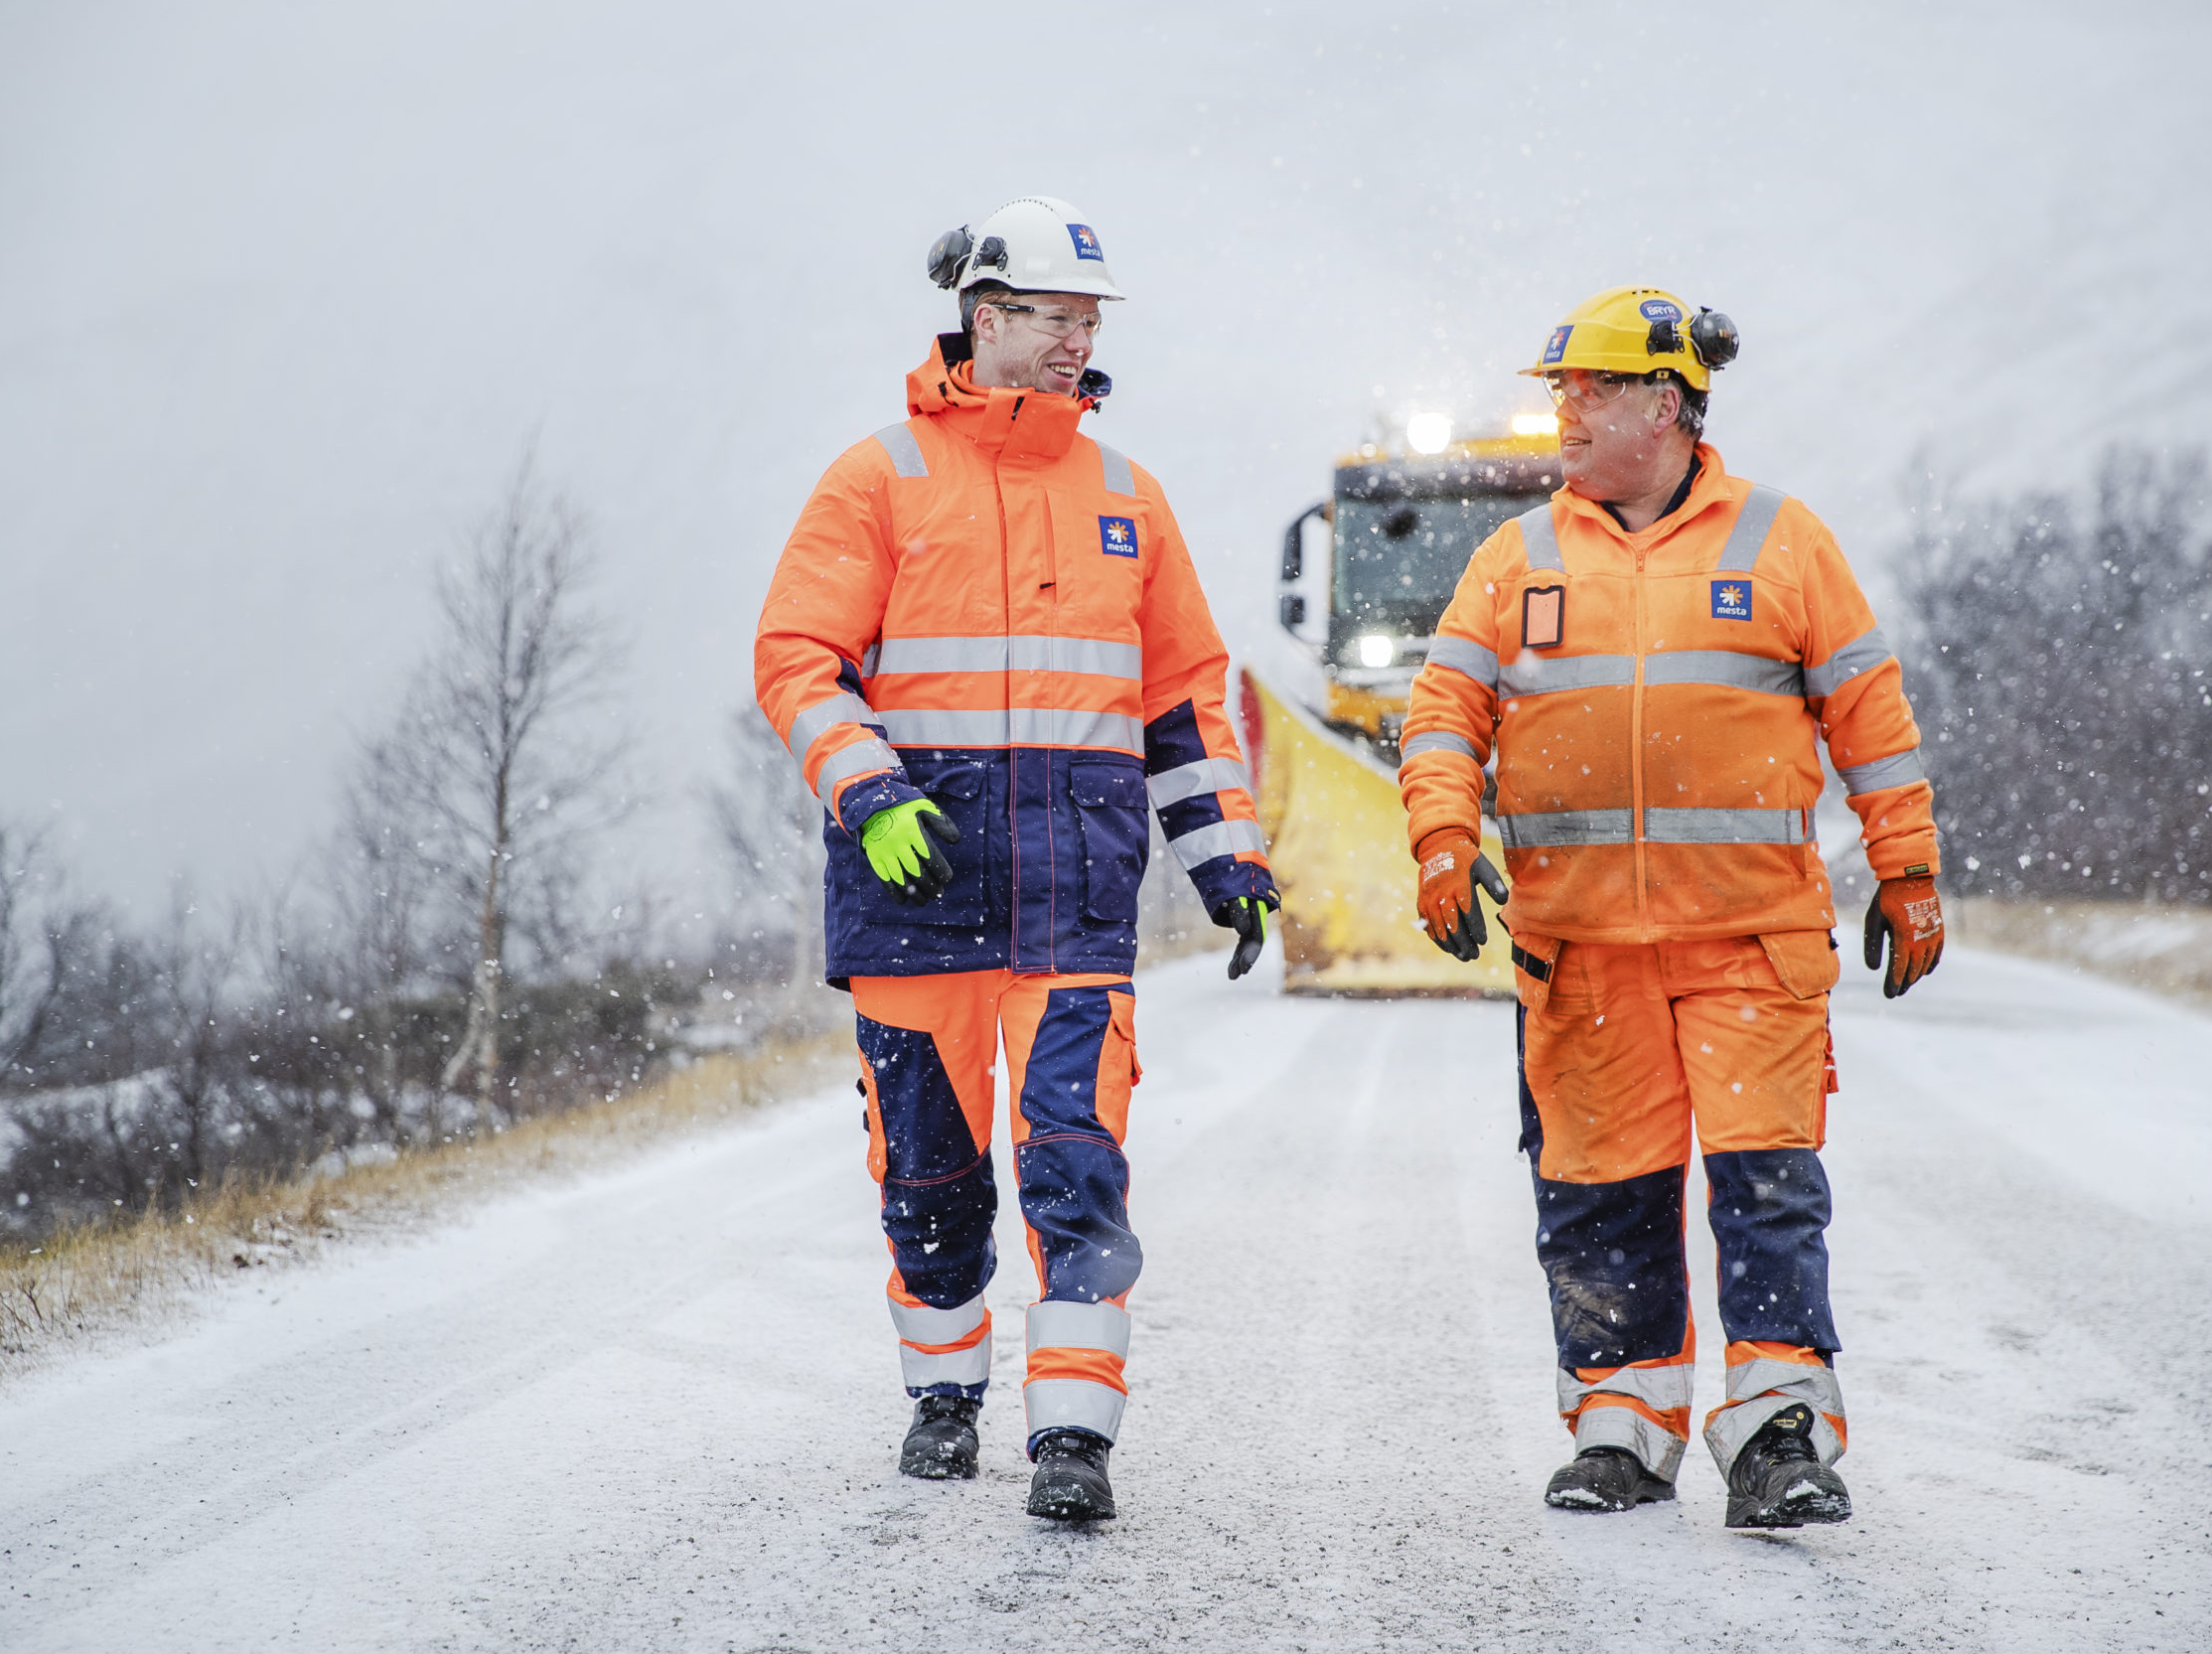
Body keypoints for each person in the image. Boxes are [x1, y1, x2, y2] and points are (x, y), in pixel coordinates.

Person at [752, 195, 1279, 1523]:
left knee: (1075, 1160)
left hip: (1073, 896)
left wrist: (1230, 860)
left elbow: (1184, 699)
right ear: (986, 318)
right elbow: (799, 660)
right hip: (913, 894)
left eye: (1090, 318)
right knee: (930, 1178)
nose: (1078, 340)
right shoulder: (874, 477)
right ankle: (942, 1394)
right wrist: (868, 787)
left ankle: (1075, 1435)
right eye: (1056, 315)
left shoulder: (1126, 496)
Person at [1397, 286, 1944, 1529]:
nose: (1565, 416)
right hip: (1579, 956)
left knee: (1766, 1192)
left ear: (1669, 403)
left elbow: (1871, 719)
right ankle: (1621, 1433)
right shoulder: (1516, 558)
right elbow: (1440, 716)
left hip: (1750, 946)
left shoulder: (1782, 543)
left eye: (1589, 390)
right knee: (1601, 1197)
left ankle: (1777, 1439)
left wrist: (1905, 866)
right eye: (1560, 393)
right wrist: (1440, 836)